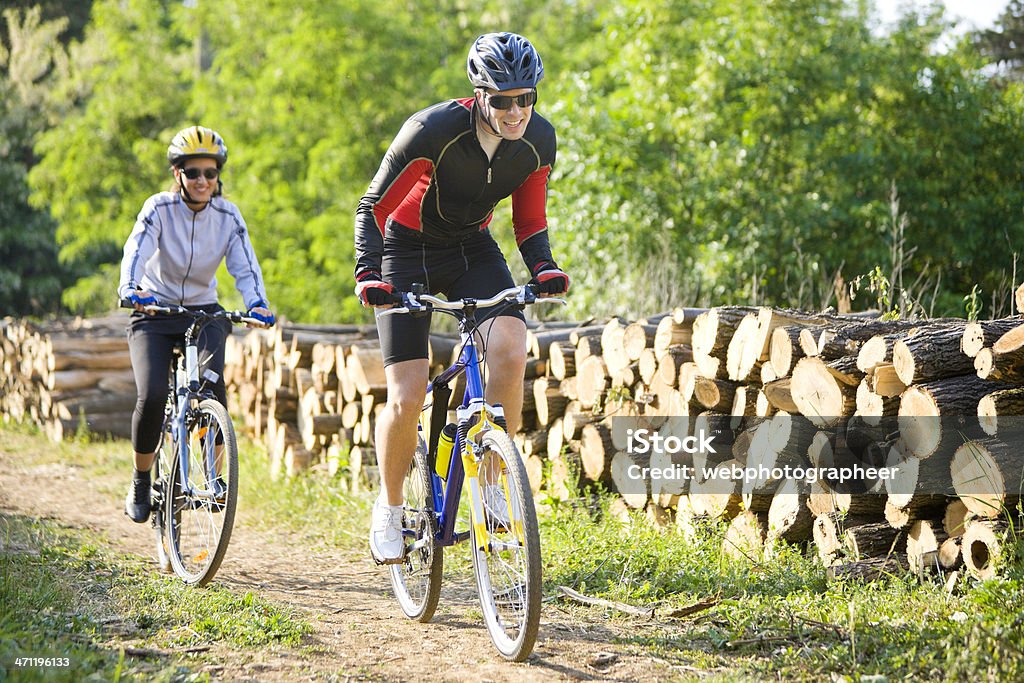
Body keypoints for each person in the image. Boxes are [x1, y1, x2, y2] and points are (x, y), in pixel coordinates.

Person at [354, 32, 570, 563]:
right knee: (407, 393)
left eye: (527, 97)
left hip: (472, 246)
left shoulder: (539, 140)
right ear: (479, 95)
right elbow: (371, 208)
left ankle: (494, 487)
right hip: (406, 249)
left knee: (512, 347)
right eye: (503, 100)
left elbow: (530, 220)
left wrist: (543, 266)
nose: (516, 110)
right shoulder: (432, 130)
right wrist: (368, 273)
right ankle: (388, 507)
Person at [118, 125, 274, 524]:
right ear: (178, 176)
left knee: (211, 386)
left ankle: (215, 475)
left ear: (218, 175)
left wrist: (257, 303)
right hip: (153, 311)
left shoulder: (228, 215)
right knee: (152, 395)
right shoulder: (158, 208)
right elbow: (136, 248)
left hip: (204, 310)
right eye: (193, 173)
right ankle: (141, 477)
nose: (203, 181)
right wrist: (131, 288)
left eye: (210, 172)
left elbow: (245, 266)